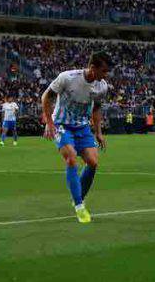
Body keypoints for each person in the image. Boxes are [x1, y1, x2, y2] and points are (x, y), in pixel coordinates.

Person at [41, 51, 111, 224]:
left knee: (93, 162)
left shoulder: (102, 86)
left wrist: (98, 132)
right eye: (103, 71)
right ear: (92, 68)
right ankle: (79, 206)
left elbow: (96, 109)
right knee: (71, 158)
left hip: (82, 127)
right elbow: (46, 97)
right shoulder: (67, 77)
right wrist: (49, 123)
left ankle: (77, 196)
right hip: (61, 125)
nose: (105, 75)